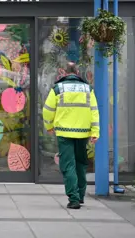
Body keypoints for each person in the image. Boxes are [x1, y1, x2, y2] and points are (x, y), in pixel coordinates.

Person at [43, 62, 100, 210]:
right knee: (81, 163)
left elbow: (48, 110)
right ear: (78, 73)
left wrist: (49, 126)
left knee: (68, 165)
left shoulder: (58, 88)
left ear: (64, 73)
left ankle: (73, 198)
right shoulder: (88, 89)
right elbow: (94, 111)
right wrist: (95, 132)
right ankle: (81, 195)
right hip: (83, 133)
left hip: (64, 133)